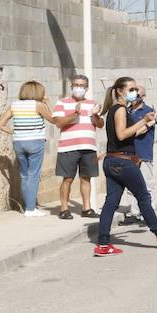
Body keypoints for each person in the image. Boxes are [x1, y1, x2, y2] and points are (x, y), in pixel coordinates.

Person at [94, 76, 157, 256]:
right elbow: (121, 135)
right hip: (123, 162)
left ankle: (103, 245)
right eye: (131, 89)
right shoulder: (119, 110)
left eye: (136, 89)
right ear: (120, 91)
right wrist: (143, 121)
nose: (134, 92)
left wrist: (144, 121)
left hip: (113, 161)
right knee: (143, 197)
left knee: (111, 202)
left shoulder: (116, 109)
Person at [0, 79, 60, 217]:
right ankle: (31, 209)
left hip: (19, 142)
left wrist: (13, 132)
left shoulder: (14, 105)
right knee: (34, 175)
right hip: (35, 142)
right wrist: (48, 102)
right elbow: (54, 120)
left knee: (24, 175)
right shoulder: (38, 105)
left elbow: (0, 124)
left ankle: (27, 207)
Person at [53, 74, 104, 220]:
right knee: (67, 178)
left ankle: (86, 208)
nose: (78, 88)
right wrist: (75, 113)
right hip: (68, 147)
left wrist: (95, 116)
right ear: (71, 86)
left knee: (86, 178)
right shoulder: (62, 103)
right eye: (76, 85)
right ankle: (64, 208)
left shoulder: (93, 104)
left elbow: (100, 125)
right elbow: (58, 123)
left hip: (88, 146)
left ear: (86, 88)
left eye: (82, 86)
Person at [120, 83, 157, 224]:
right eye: (133, 93)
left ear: (144, 96)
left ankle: (148, 214)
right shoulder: (126, 111)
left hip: (143, 153)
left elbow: (138, 131)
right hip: (128, 153)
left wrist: (148, 123)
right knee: (131, 185)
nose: (135, 96)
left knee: (147, 185)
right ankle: (134, 212)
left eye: (138, 94)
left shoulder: (148, 112)